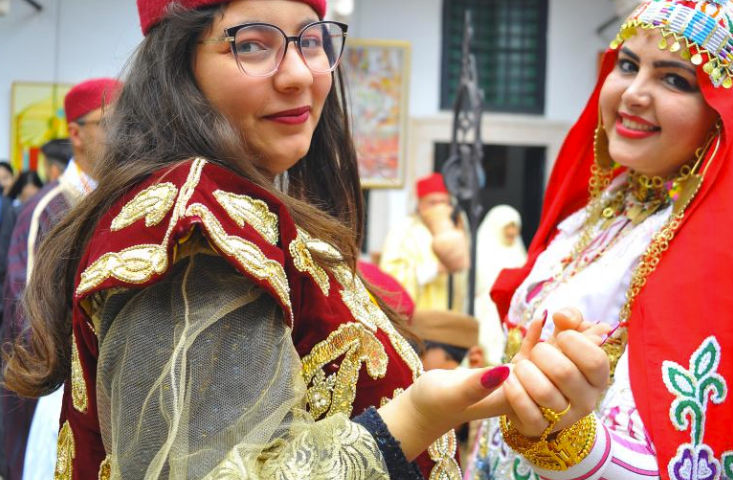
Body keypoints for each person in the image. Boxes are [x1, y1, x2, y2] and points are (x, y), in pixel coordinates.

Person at [2, 1, 612, 479]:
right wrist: (419, 415)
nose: (298, 74)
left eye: (311, 40)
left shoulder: (253, 205)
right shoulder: (196, 223)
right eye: (252, 45)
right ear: (178, 66)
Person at [466, 1, 733, 478]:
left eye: (675, 79)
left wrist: (567, 440)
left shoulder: (723, 267)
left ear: (723, 117)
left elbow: (696, 458)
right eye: (627, 65)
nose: (633, 93)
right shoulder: (605, 209)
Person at [0, 77, 121, 480]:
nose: (122, 133)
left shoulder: (122, 201)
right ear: (76, 133)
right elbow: (27, 318)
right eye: (109, 122)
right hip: (52, 399)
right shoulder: (48, 210)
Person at [380, 173, 470, 311]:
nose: (439, 208)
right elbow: (390, 275)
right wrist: (434, 269)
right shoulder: (403, 230)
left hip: (450, 315)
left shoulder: (455, 230)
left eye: (444, 202)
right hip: (419, 316)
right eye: (433, 203)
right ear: (420, 204)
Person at [474, 205, 527, 366]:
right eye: (508, 226)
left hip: (511, 313)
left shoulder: (518, 250)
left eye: (515, 226)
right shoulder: (481, 249)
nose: (512, 231)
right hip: (485, 311)